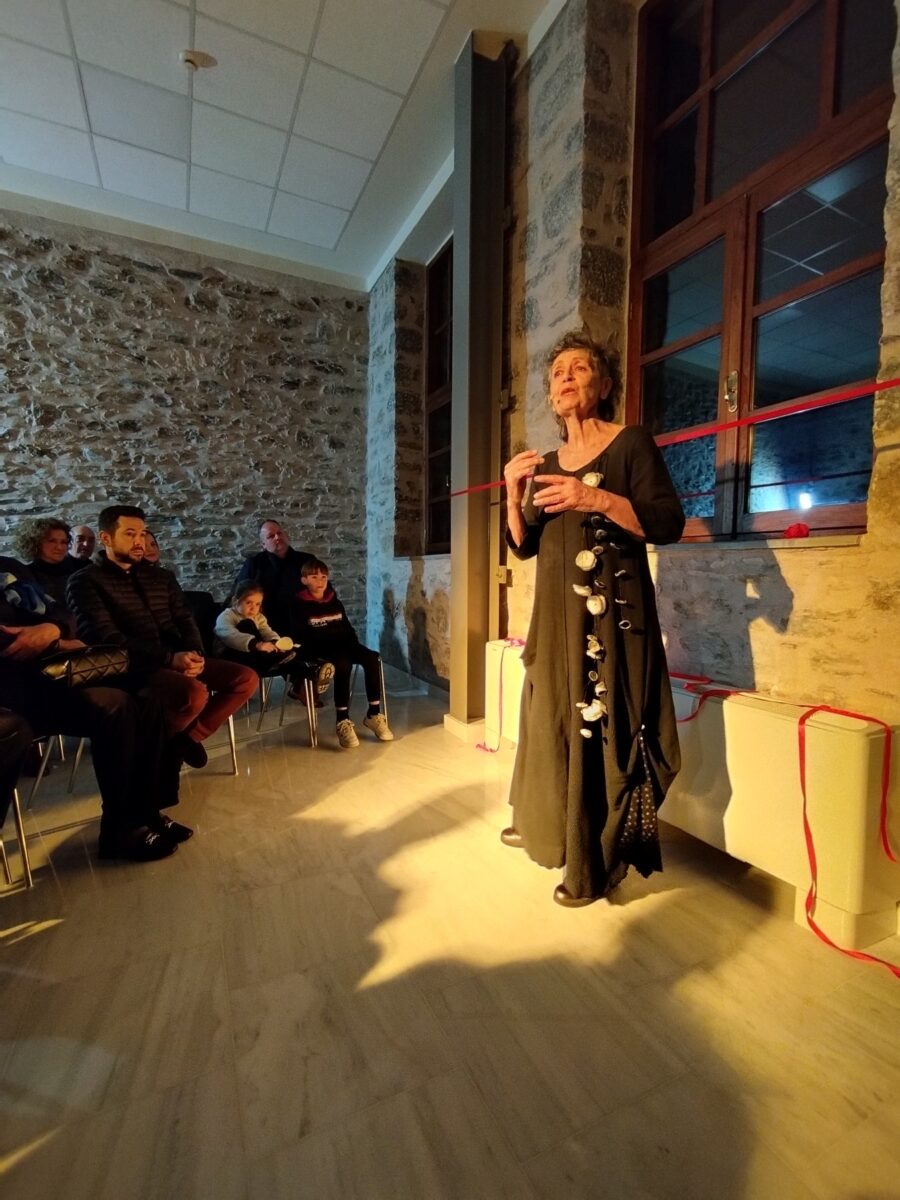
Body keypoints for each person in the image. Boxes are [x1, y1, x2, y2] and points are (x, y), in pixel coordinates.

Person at [502, 330, 684, 907]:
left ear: (604, 385)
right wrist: (511, 490)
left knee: (602, 727)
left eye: (579, 368)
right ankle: (550, 827)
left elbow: (668, 523)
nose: (565, 377)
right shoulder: (548, 463)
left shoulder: (631, 444)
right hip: (554, 621)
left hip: (612, 623)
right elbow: (524, 545)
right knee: (550, 717)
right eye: (558, 371)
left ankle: (594, 864)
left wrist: (596, 498)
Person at [0, 555, 184, 861]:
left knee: (148, 698)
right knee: (115, 706)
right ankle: (118, 830)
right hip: (14, 688)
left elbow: (61, 612)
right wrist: (56, 641)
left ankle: (148, 811)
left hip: (54, 671)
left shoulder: (9, 567)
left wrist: (54, 628)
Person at [66, 505, 257, 770]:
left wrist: (195, 653)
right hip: (132, 666)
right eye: (130, 534)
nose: (139, 542)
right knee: (193, 694)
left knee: (245, 679)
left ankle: (183, 741)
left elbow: (184, 618)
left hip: (175, 657)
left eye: (142, 534)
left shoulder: (160, 576)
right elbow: (104, 636)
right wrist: (168, 658)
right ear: (106, 538)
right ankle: (157, 751)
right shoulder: (84, 581)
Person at [289, 558, 393, 748]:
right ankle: (342, 720)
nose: (320, 581)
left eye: (324, 577)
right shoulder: (298, 604)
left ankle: (374, 714)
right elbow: (300, 636)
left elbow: (347, 628)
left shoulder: (333, 600)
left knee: (372, 658)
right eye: (314, 577)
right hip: (319, 649)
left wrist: (354, 647)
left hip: (344, 644)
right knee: (343, 664)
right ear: (304, 580)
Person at [233, 520, 313, 634]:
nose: (277, 537)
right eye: (271, 536)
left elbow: (324, 591)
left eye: (279, 533)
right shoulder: (254, 564)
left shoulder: (307, 561)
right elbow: (238, 594)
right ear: (264, 544)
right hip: (264, 627)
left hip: (304, 624)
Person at [13, 517, 82, 606]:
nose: (59, 547)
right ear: (36, 543)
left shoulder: (77, 574)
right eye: (52, 541)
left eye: (63, 542)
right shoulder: (25, 576)